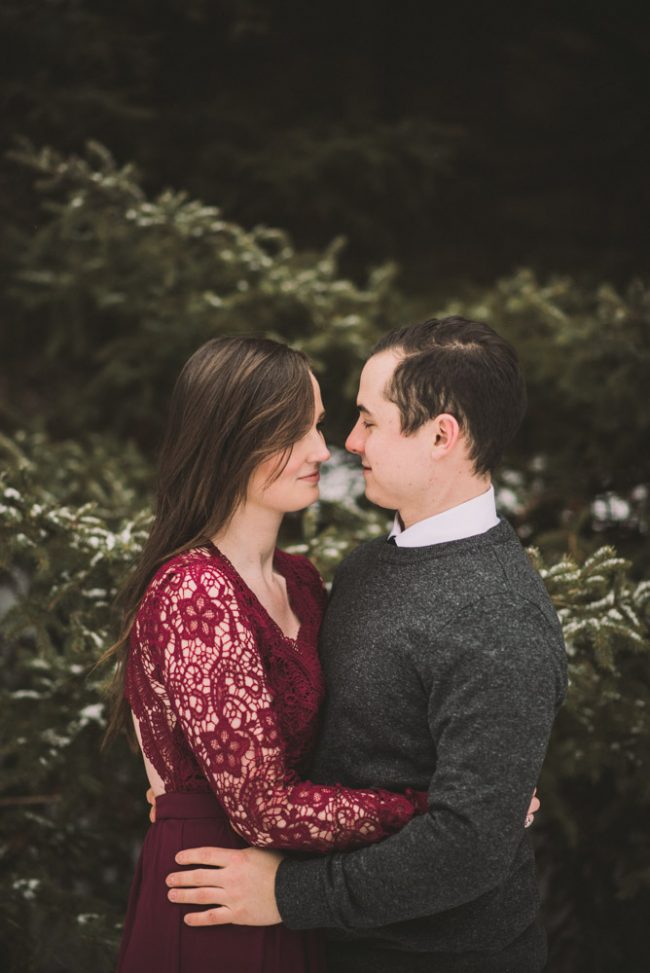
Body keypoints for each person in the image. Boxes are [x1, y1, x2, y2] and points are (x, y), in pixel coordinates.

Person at [163, 317, 568, 973]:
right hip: (326, 945)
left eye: (370, 421)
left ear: (442, 436)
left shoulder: (501, 618)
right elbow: (302, 720)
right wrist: (190, 780)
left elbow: (467, 848)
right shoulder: (362, 567)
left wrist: (288, 894)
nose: (347, 443)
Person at [106, 335, 441, 973]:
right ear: (232, 439)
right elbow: (264, 809)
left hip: (288, 888)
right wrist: (434, 807)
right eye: (294, 432)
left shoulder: (303, 581)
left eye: (316, 425)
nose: (323, 449)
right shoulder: (195, 592)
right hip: (214, 897)